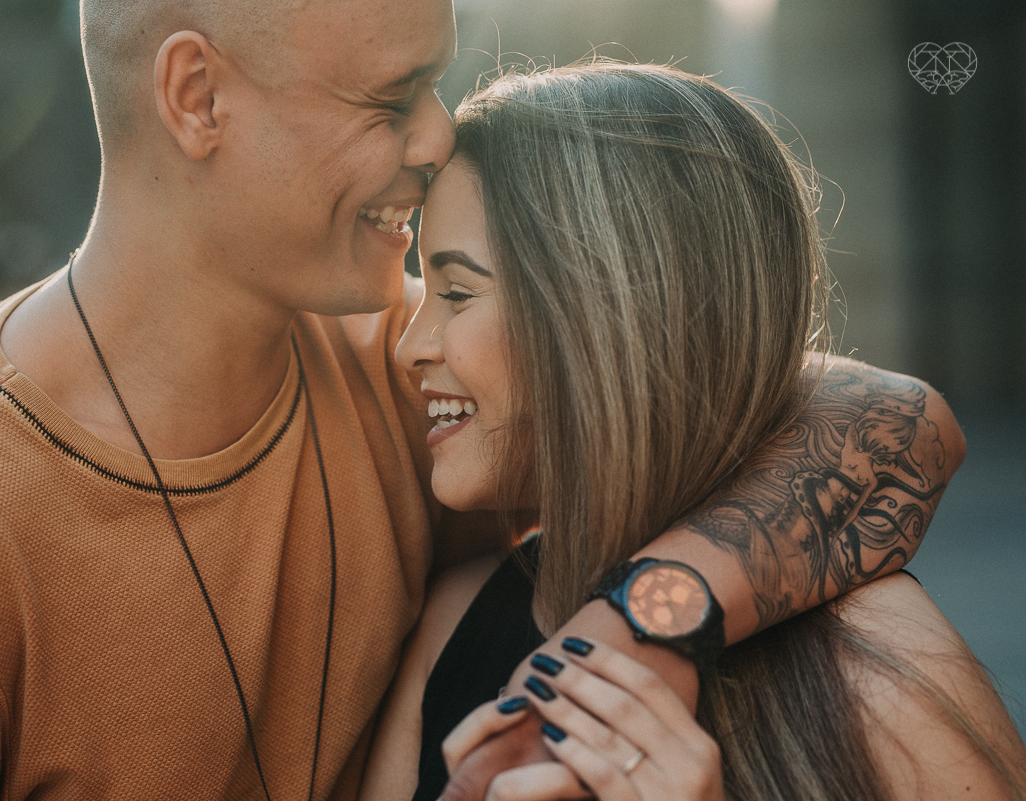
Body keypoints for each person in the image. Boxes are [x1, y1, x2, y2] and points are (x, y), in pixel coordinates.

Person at [0, 2, 965, 798]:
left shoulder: (410, 372)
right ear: (196, 96)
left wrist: (648, 626)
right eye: (392, 96)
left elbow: (873, 420)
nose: (438, 134)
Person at [365, 62, 1025, 801]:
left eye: (454, 292)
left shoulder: (885, 670)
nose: (407, 346)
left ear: (611, 321)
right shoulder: (450, 628)